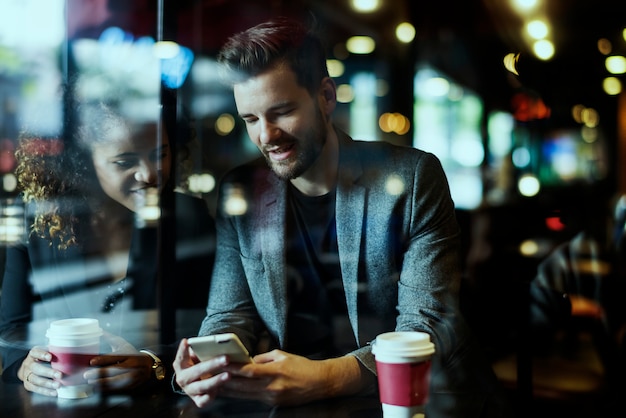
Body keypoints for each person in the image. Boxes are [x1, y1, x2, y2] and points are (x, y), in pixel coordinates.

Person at [173, 17, 512, 417]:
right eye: (250, 119)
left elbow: (426, 329)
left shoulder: (413, 177)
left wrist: (321, 378)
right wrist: (208, 362)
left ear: (326, 96)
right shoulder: (242, 190)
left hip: (423, 401)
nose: (265, 135)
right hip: (304, 405)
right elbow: (231, 312)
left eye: (281, 112)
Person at [0, 98, 215, 396]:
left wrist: (154, 365)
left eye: (159, 154)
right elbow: (12, 329)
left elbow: (210, 329)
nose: (149, 175)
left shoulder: (190, 218)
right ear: (83, 162)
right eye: (125, 162)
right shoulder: (38, 224)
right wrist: (25, 365)